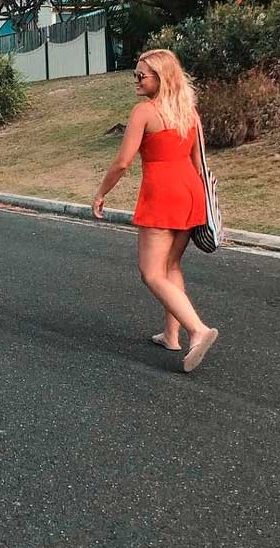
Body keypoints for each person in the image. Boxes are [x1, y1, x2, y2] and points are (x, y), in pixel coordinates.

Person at [92, 49, 218, 372]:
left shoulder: (144, 112)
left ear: (160, 79)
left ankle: (197, 330)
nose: (135, 81)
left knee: (151, 272)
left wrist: (101, 192)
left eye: (140, 76)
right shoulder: (189, 111)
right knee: (171, 264)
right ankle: (170, 335)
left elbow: (122, 162)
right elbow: (198, 161)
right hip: (190, 192)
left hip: (162, 194)